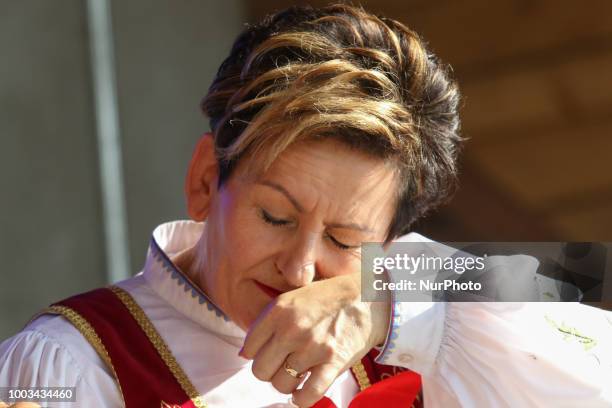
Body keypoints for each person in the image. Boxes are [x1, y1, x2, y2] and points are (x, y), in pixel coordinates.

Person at [1, 4, 611, 408]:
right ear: (207, 181)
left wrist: (387, 303)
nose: (299, 270)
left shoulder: (418, 308)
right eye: (275, 217)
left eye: (344, 240)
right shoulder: (67, 363)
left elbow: (580, 279)